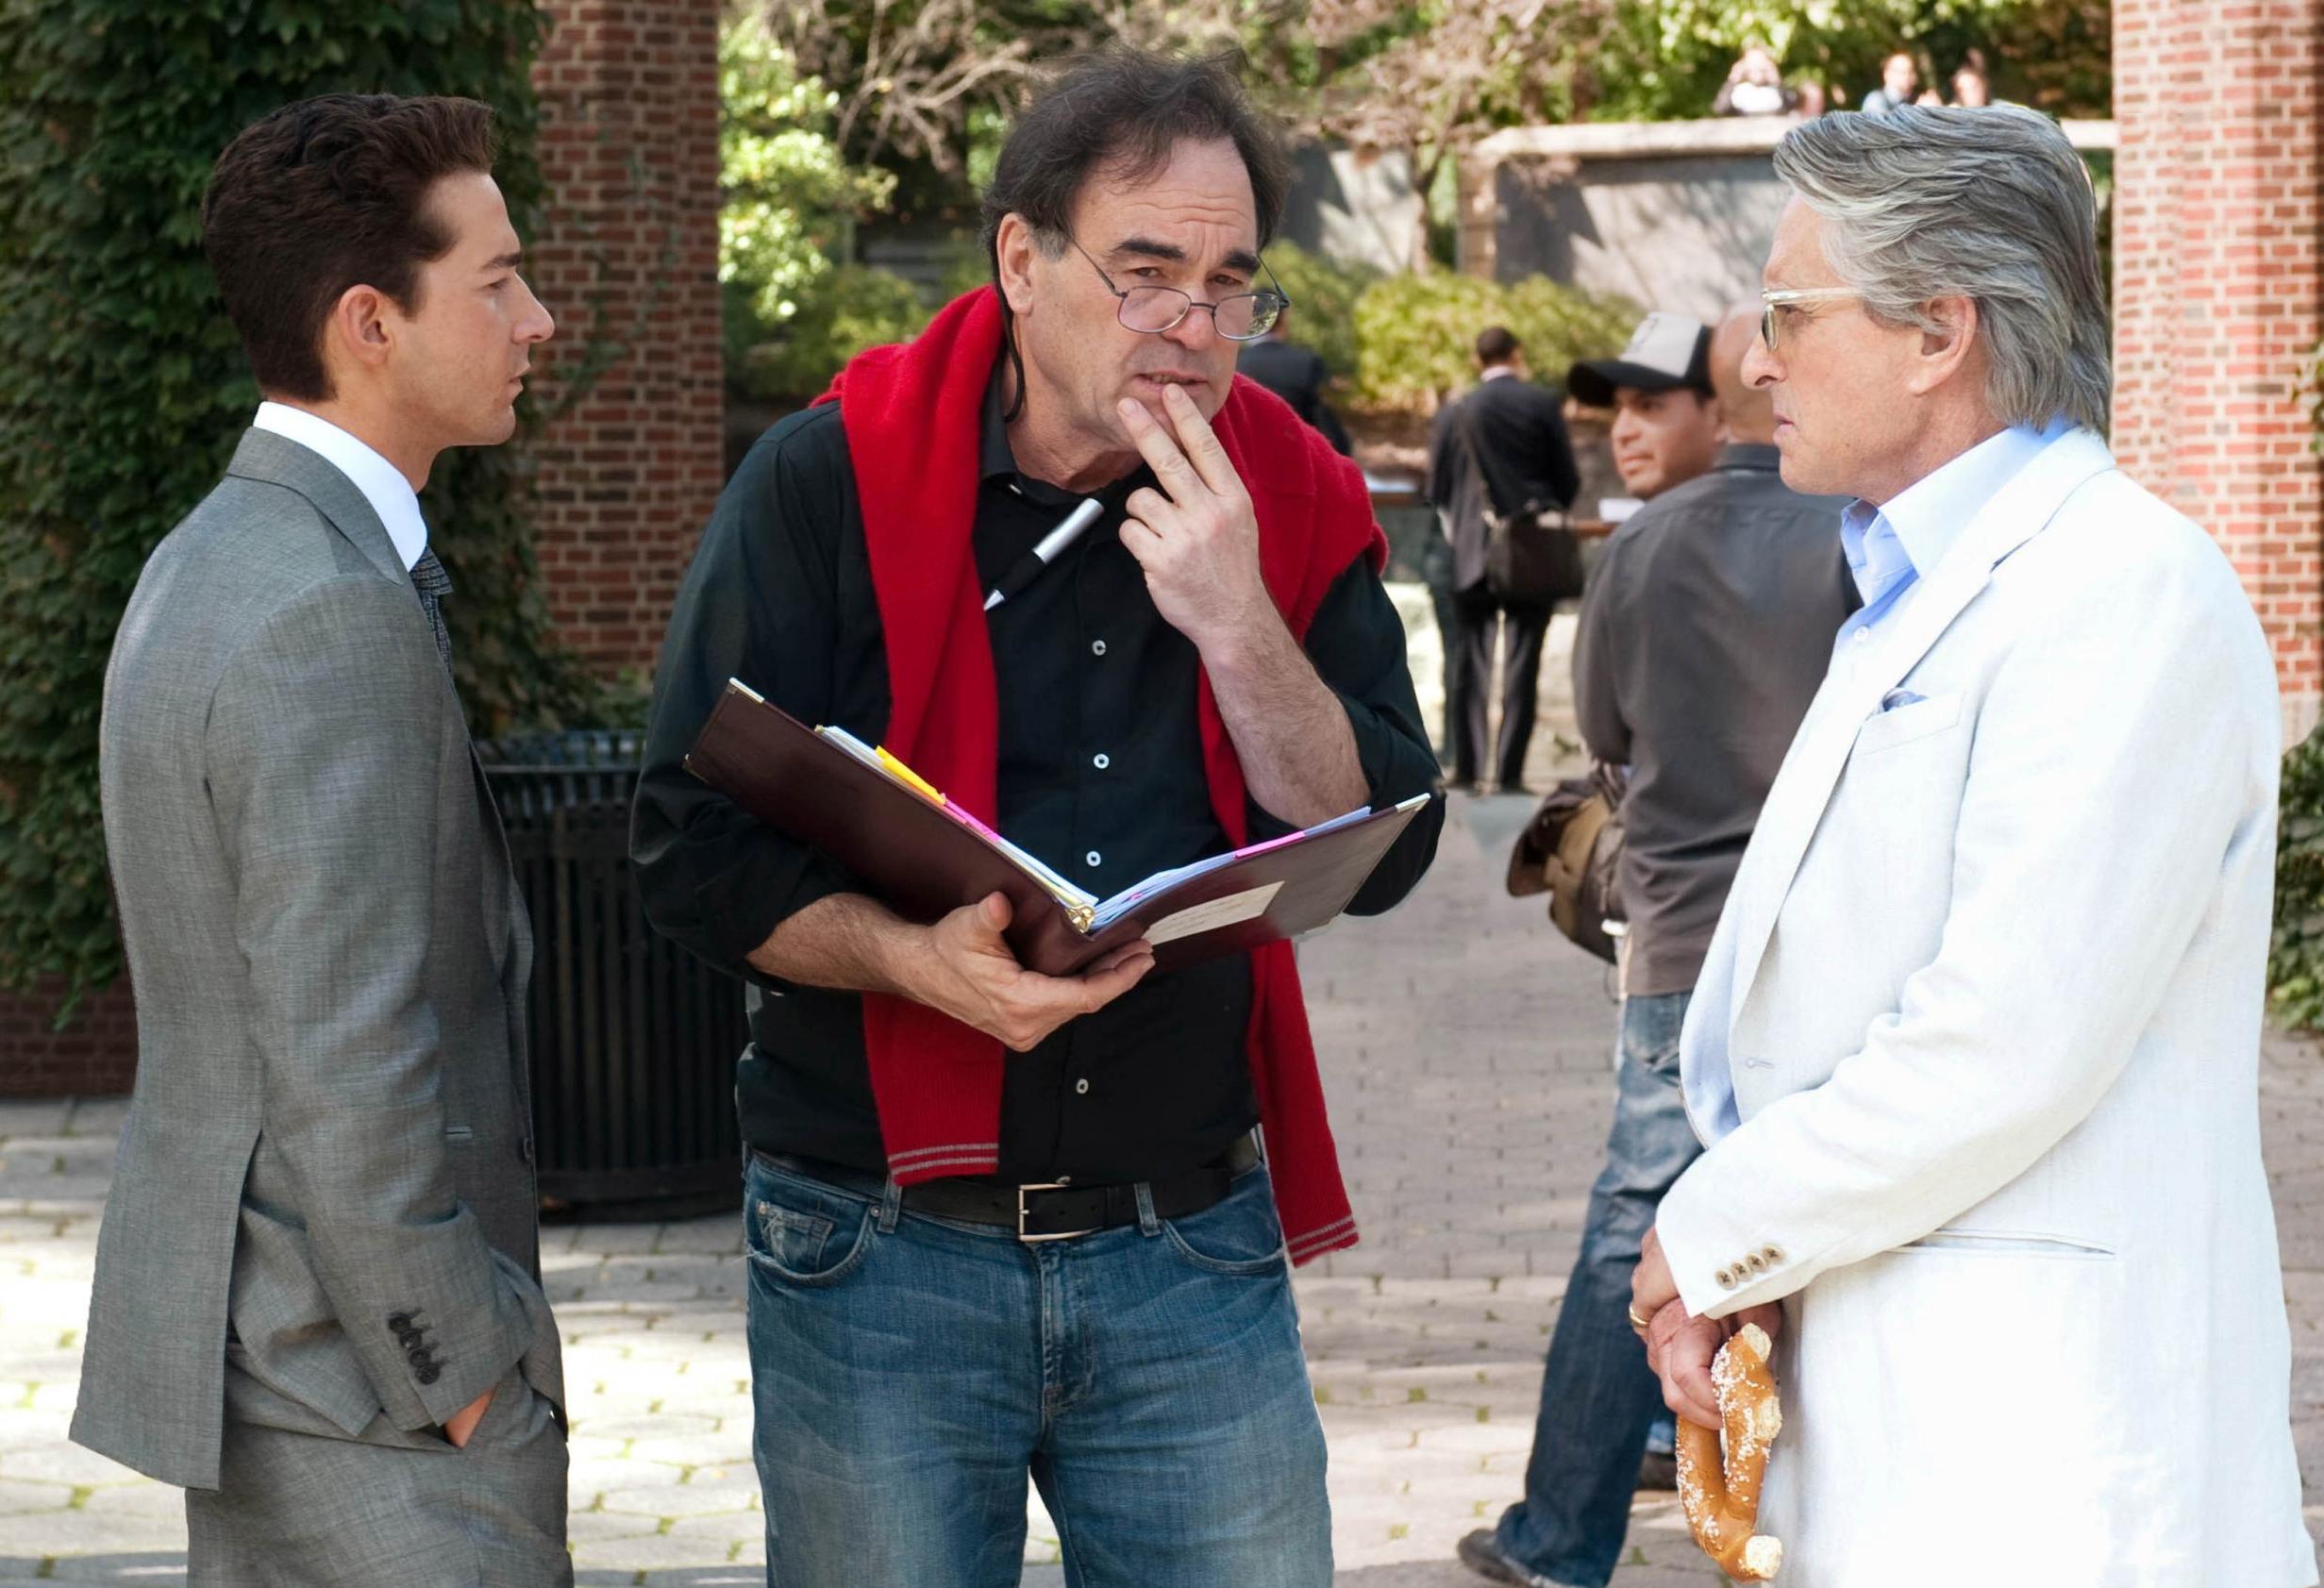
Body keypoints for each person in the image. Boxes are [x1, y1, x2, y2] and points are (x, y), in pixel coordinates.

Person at [631, 48, 1443, 1586]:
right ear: (1021, 259)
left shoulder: (1293, 495)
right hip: (875, 1236)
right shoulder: (826, 480)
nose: (1195, 333)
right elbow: (685, 843)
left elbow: (1384, 841)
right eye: (1144, 275)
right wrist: (910, 958)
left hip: (1187, 1236)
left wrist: (1235, 619)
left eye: (1229, 285)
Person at [1630, 105, 2315, 1587]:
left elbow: (2002, 1034)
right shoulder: (1922, 581)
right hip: (1922, 1416)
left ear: (1936, 331)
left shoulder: (2120, 589)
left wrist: (1718, 1227)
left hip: (2042, 1457)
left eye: (1784, 313)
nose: (1752, 361)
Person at [72, 94, 567, 1585]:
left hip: (282, 1366)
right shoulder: (323, 612)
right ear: (369, 321)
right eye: (496, 280)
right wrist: (466, 1370)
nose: (535, 318)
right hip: (377, 1405)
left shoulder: (214, 557)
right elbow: (346, 1057)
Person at [1457, 310, 1855, 1588]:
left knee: (1631, 1221)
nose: (1624, 425)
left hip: (1678, 942)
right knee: (1831, 1222)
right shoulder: (1856, 533)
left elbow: (1602, 736)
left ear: (1717, 399)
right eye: (1609, 405)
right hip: (1831, 941)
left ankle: (1559, 1532)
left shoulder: (1634, 555)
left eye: (1648, 398)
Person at [1424, 326, 1581, 793]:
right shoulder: (1540, 403)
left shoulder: (1456, 411)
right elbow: (1566, 480)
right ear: (1516, 355)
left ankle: (1469, 769)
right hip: (1529, 550)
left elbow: (1437, 488)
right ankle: (1510, 774)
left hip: (1472, 548)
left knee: (1468, 661)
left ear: (1479, 359)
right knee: (1522, 660)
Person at [1236, 303, 1352, 454]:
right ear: (1283, 319)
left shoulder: (1233, 365)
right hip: (1299, 458)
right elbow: (1326, 423)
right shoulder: (1307, 362)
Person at [1714, 44, 1797, 118]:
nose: (1756, 68)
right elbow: (1720, 108)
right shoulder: (1740, 91)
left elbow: (1793, 106)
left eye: (1761, 63)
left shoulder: (1776, 91)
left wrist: (1777, 81)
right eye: (1752, 63)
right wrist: (1733, 79)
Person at [1858, 50, 1919, 115]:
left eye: (1911, 72)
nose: (1907, 77)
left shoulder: (1912, 100)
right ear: (1887, 74)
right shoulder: (1876, 100)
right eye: (1902, 72)